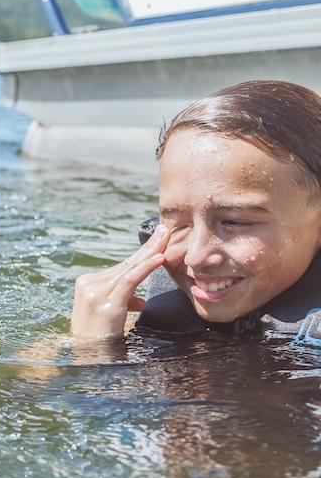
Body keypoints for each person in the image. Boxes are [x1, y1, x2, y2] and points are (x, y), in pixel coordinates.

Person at [70, 79, 321, 342]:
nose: (196, 257)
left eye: (235, 222)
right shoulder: (128, 314)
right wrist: (89, 344)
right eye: (177, 224)